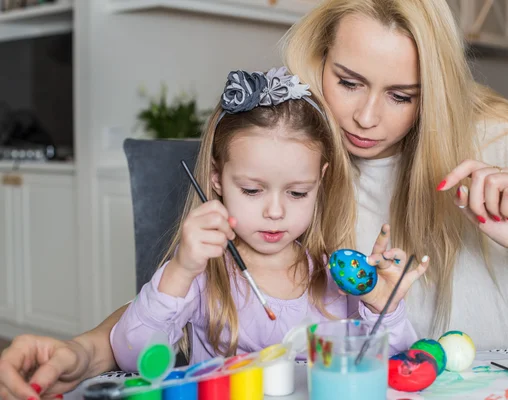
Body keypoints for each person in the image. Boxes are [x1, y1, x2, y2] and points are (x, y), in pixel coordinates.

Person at [3, 0, 508, 397]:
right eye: (348, 82)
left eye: (403, 95)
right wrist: (81, 352)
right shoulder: (295, 151)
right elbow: (190, 296)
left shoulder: (503, 146)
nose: (367, 117)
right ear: (317, 61)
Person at [110, 67, 425, 368]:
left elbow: (394, 367)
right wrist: (180, 271)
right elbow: (132, 357)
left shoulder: (334, 280)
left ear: (320, 180)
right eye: (251, 190)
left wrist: (383, 307)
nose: (275, 212)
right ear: (216, 177)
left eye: (297, 193)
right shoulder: (203, 276)